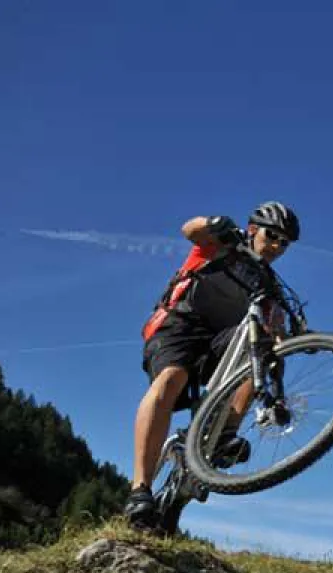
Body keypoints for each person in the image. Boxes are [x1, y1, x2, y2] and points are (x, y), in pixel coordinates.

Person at [124, 201, 301, 530]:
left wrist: (295, 341)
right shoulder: (223, 243)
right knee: (171, 379)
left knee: (260, 348)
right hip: (179, 325)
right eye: (272, 236)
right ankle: (140, 489)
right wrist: (216, 223)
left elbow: (276, 331)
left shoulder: (269, 284)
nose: (277, 247)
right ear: (252, 230)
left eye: (284, 243)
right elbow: (190, 230)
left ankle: (224, 433)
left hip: (220, 342)